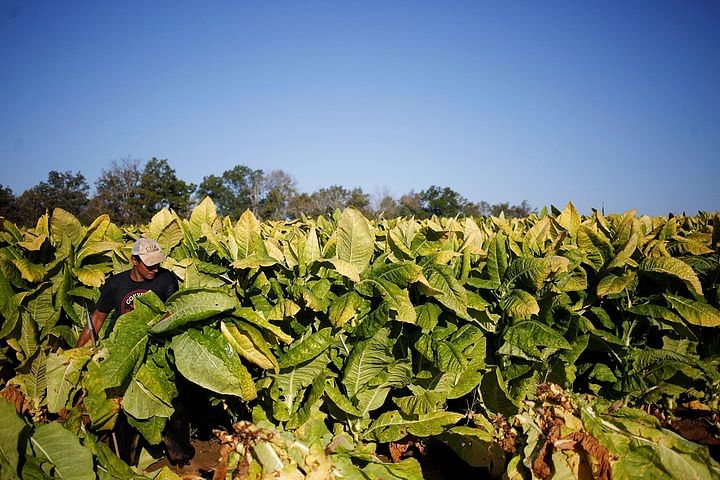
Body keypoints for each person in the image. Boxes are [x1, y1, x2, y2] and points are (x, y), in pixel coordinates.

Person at [76, 237, 178, 347]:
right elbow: (97, 319)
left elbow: (172, 314)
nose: (155, 269)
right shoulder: (115, 283)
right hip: (123, 344)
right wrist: (76, 353)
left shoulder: (167, 279)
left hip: (156, 343)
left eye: (157, 263)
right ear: (134, 260)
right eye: (150, 264)